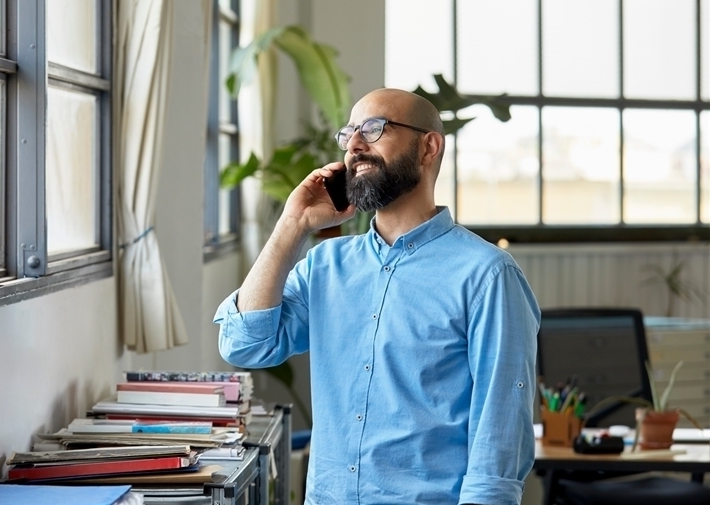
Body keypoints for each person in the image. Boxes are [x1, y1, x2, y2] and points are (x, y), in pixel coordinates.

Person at [214, 88, 540, 505]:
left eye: (374, 128)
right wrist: (293, 224)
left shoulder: (488, 275)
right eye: (349, 132)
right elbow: (244, 344)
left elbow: (499, 438)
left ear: (428, 146)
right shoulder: (325, 266)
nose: (354, 144)